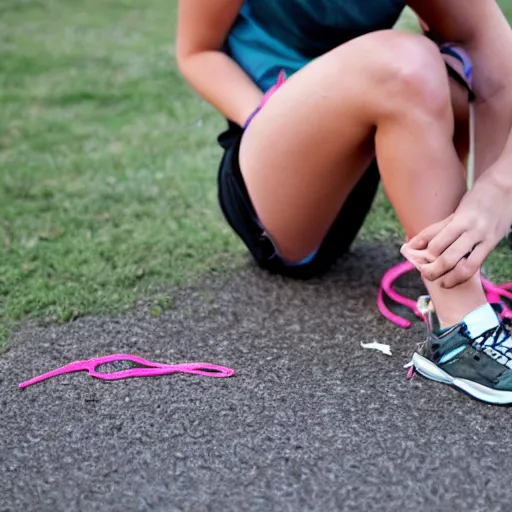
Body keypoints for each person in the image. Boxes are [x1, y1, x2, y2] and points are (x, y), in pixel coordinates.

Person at [175, 1, 512, 404]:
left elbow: (494, 59)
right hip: (271, 174)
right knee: (405, 63)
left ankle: (462, 250)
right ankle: (461, 331)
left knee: (460, 67)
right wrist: (274, 121)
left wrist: (495, 199)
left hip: (364, 155)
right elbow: (197, 52)